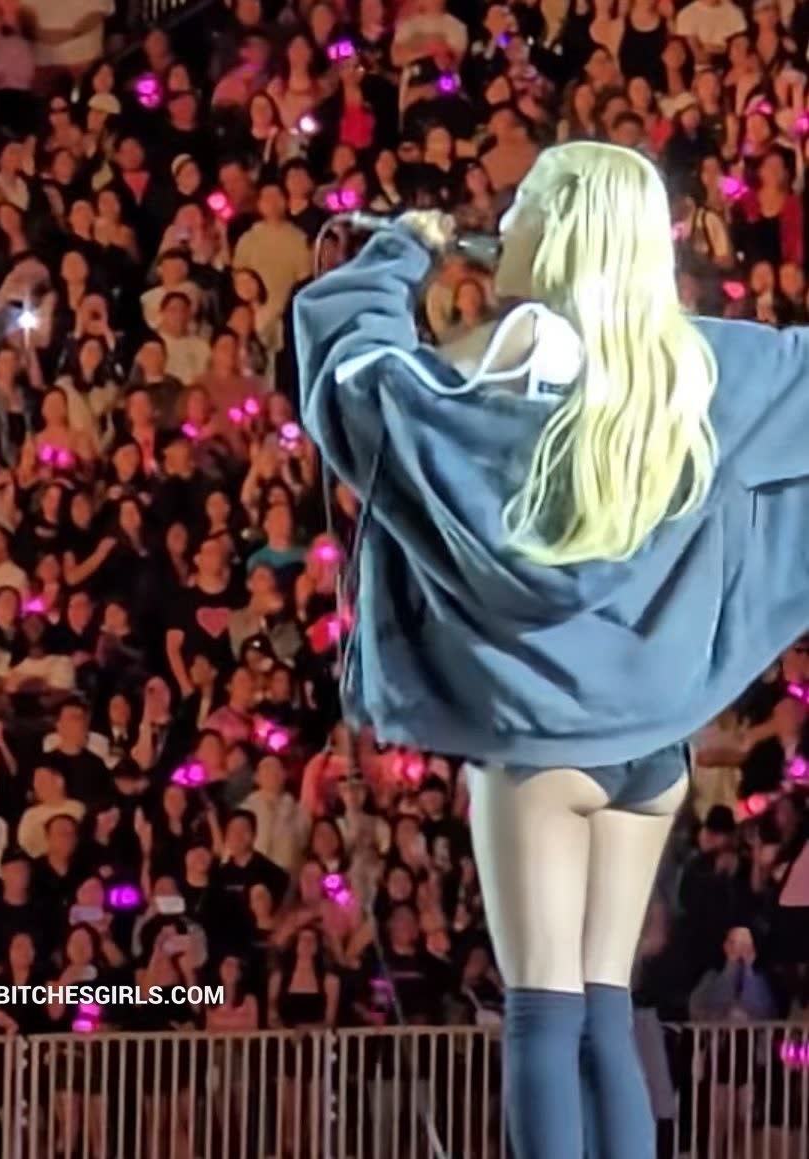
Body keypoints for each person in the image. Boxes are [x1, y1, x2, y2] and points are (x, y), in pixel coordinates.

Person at [293, 138, 809, 1157]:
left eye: (523, 204)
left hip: (538, 746)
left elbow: (355, 377)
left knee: (540, 1018)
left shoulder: (501, 367)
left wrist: (399, 252)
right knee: (607, 1012)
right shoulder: (698, 369)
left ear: (562, 229)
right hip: (649, 746)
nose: (504, 221)